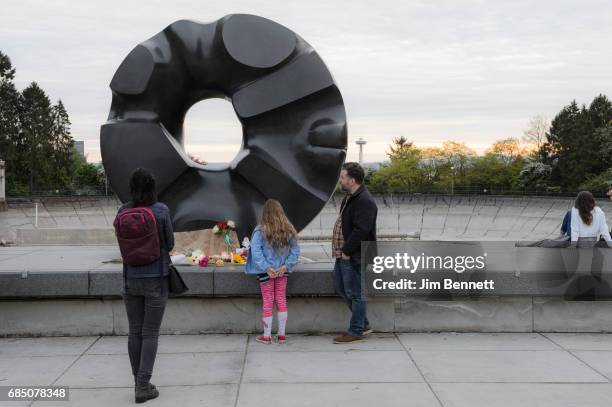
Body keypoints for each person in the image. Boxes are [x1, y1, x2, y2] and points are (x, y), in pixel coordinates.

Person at [116, 168, 174, 403]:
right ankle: (143, 385)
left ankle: (138, 382)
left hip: (130, 279)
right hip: (156, 280)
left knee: (134, 332)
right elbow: (169, 243)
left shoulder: (122, 211)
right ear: (153, 187)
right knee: (150, 333)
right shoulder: (160, 210)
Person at [332, 162, 378, 344]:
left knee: (356, 293)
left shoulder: (365, 200)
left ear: (352, 180)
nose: (340, 180)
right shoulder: (350, 197)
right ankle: (364, 324)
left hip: (353, 254)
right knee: (342, 289)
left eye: (343, 177)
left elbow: (362, 230)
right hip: (343, 254)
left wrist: (346, 251)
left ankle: (356, 330)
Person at [245, 199, 300, 344]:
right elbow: (295, 250)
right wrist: (286, 266)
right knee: (281, 298)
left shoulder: (260, 230)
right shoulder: (289, 229)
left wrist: (266, 268)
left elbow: (256, 252)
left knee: (268, 300)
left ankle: (266, 335)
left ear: (265, 213)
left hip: (266, 272)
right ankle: (281, 335)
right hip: (282, 271)